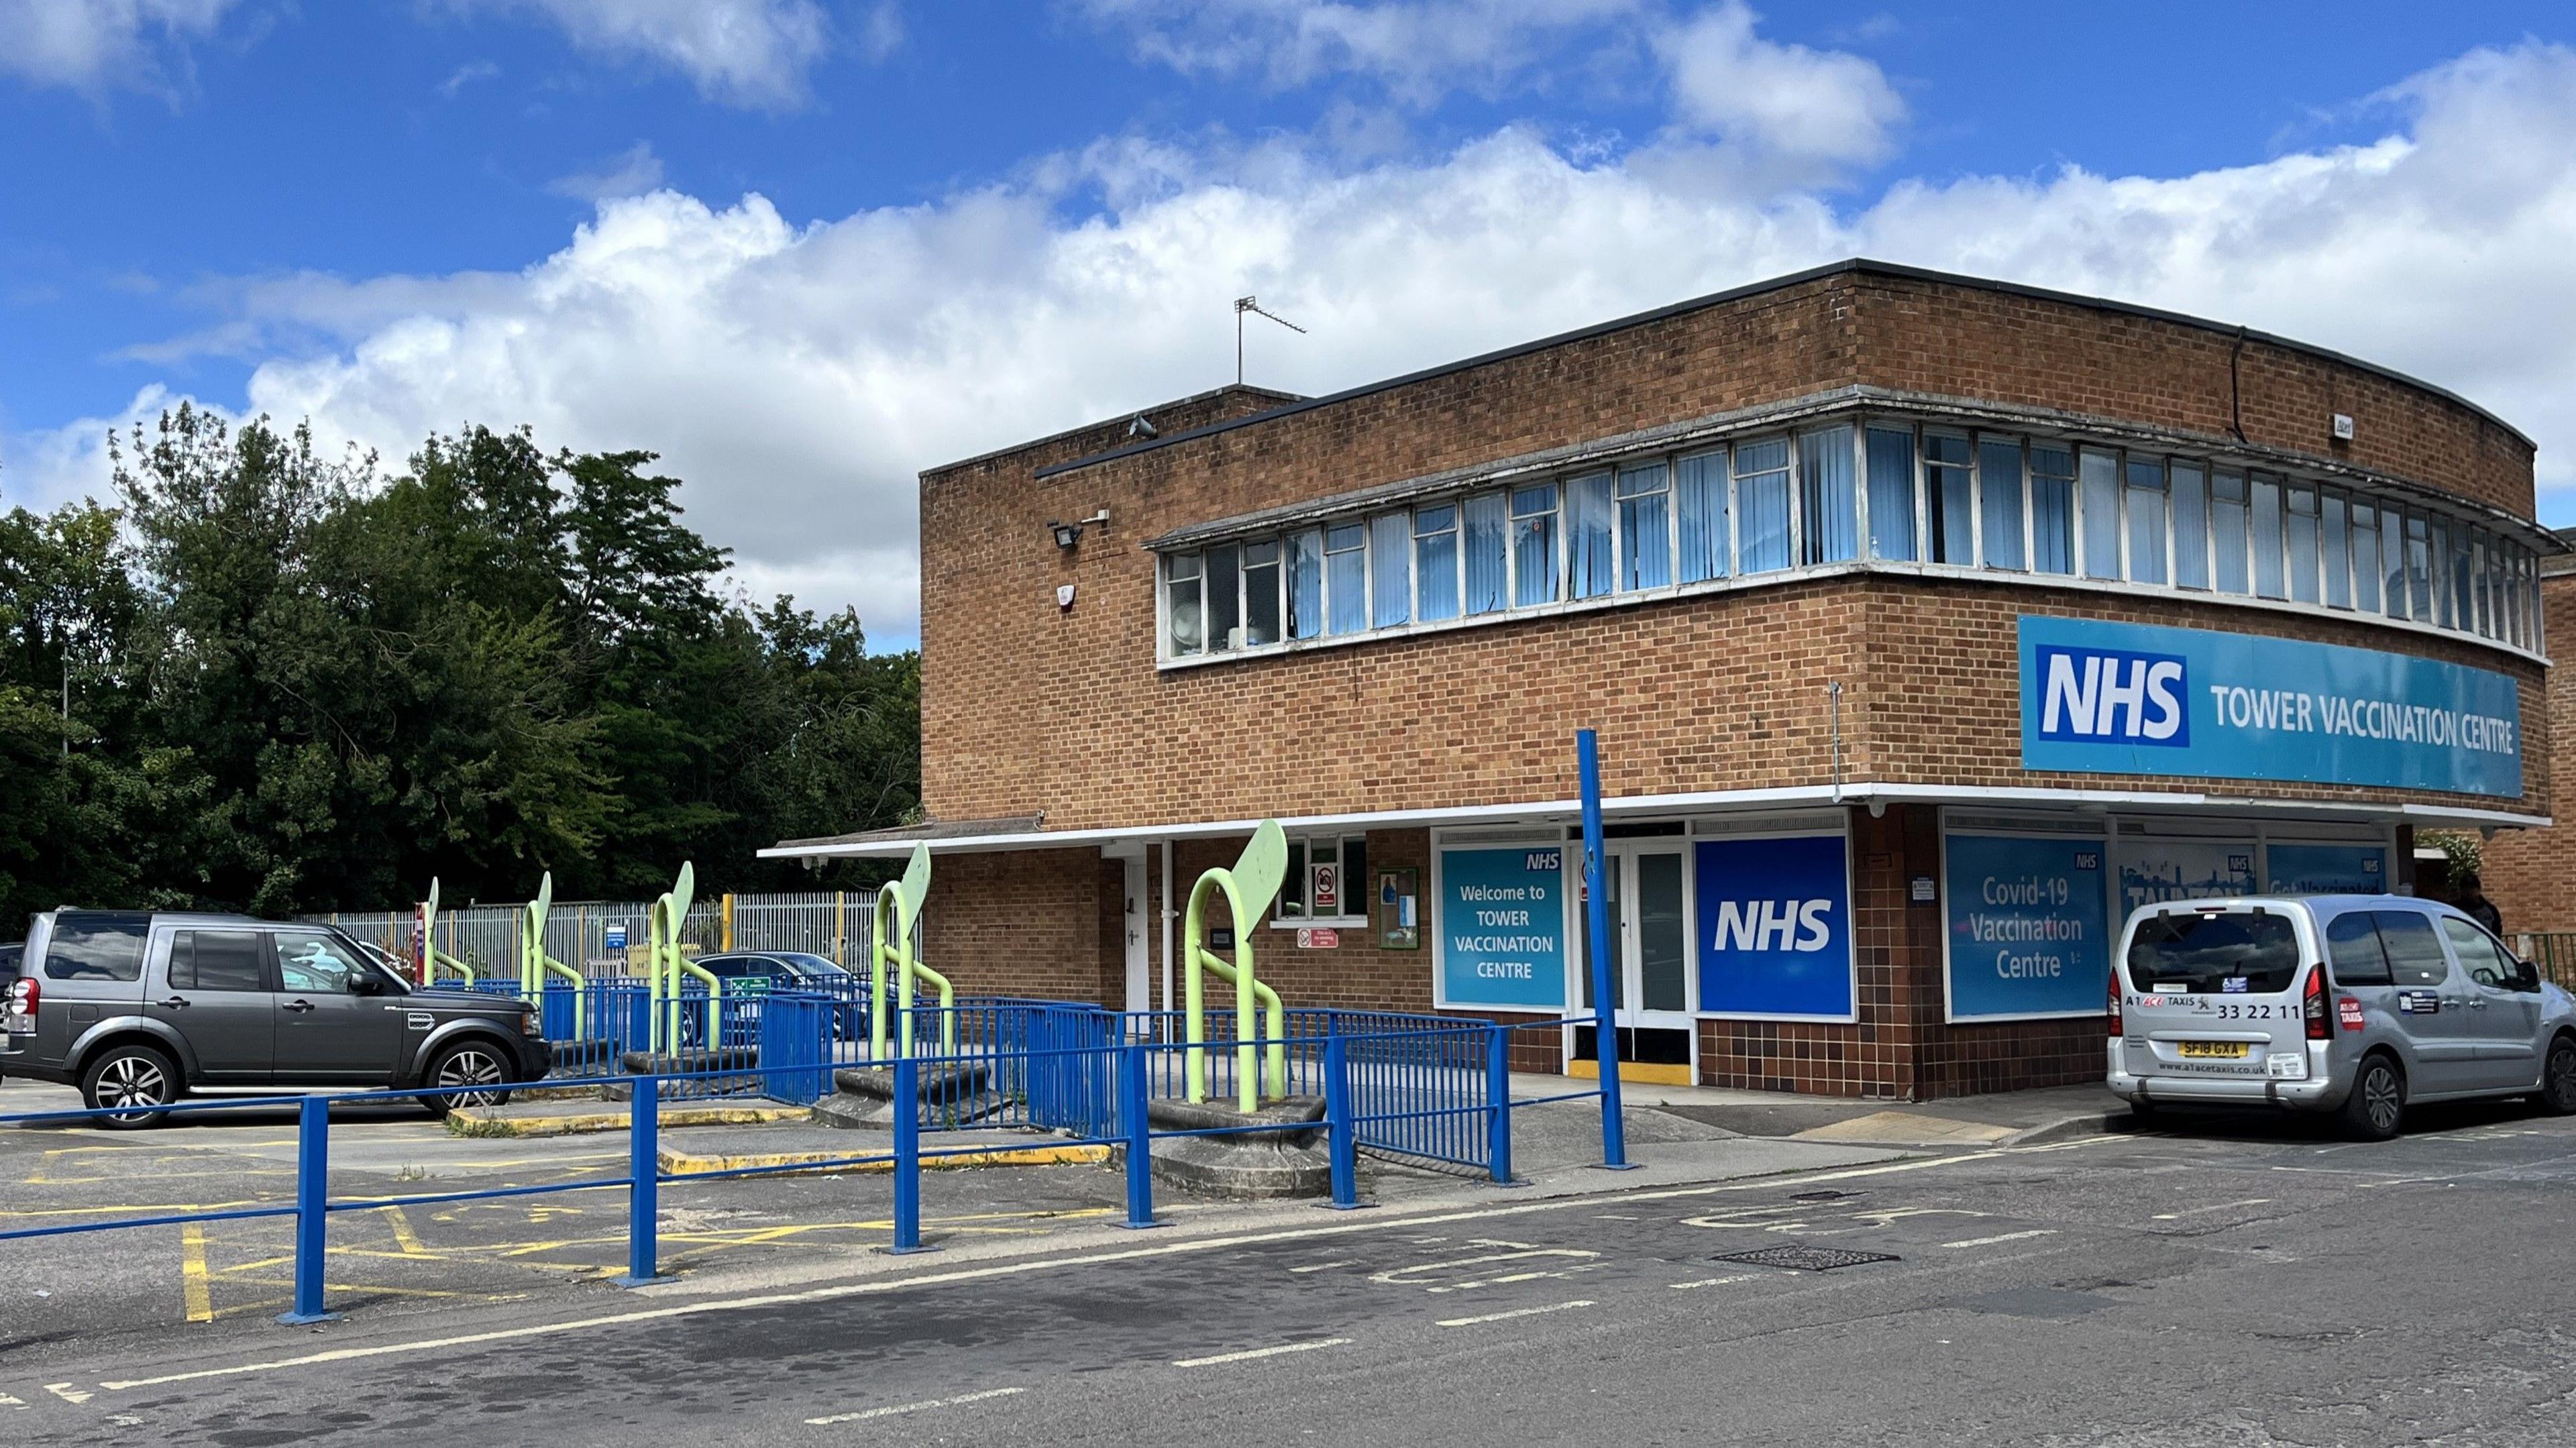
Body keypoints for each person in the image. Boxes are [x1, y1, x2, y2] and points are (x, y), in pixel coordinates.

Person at [2456, 871, 2505, 936]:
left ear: (2478, 890)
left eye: (2472, 888)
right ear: (2461, 890)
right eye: (2465, 889)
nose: (2468, 892)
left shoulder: (2490, 910)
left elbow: (2497, 930)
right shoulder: (2454, 908)